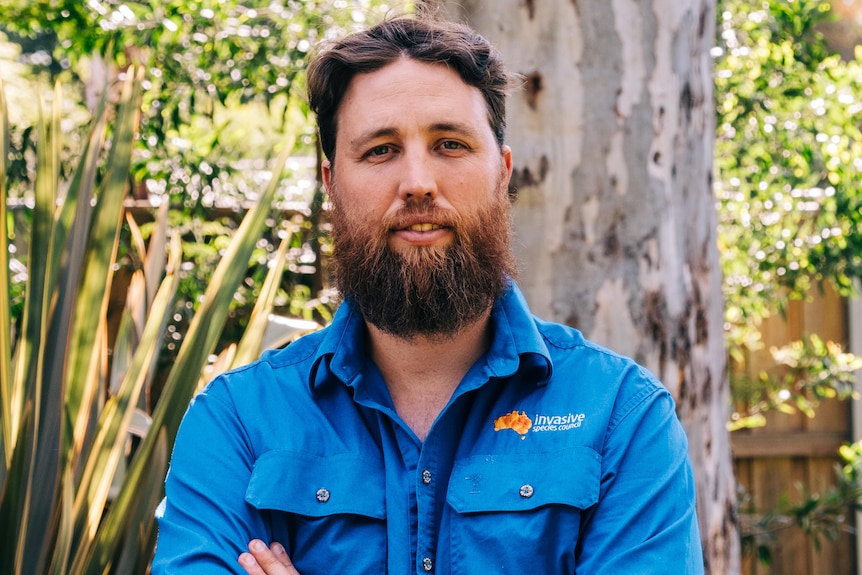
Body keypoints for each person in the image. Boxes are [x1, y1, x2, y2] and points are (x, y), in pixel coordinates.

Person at [152, 15, 704, 575]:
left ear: (501, 172)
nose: (417, 181)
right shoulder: (237, 423)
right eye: (380, 150)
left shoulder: (621, 418)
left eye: (449, 144)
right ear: (330, 184)